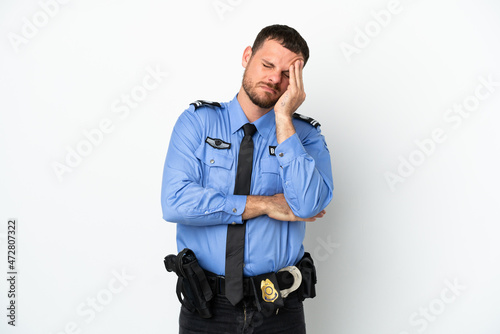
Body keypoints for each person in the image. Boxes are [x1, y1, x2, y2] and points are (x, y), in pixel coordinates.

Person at [161, 24, 334, 334]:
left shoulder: (305, 137)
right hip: (206, 307)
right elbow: (175, 203)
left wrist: (284, 120)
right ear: (247, 56)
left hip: (278, 308)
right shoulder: (197, 123)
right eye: (267, 65)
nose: (274, 78)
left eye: (287, 75)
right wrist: (265, 204)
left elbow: (308, 205)